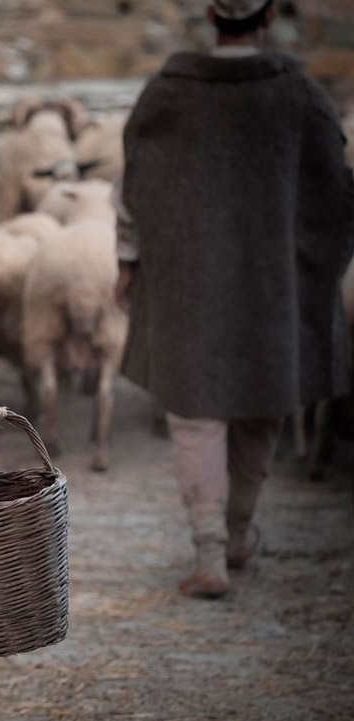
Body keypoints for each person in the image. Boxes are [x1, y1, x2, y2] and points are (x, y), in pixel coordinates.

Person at [113, 0, 354, 598]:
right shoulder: (299, 95)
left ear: (211, 19)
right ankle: (239, 531)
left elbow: (133, 184)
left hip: (187, 280)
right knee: (260, 403)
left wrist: (129, 259)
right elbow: (336, 192)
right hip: (273, 284)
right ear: (269, 17)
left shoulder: (169, 92)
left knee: (196, 413)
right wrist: (316, 268)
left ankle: (212, 554)